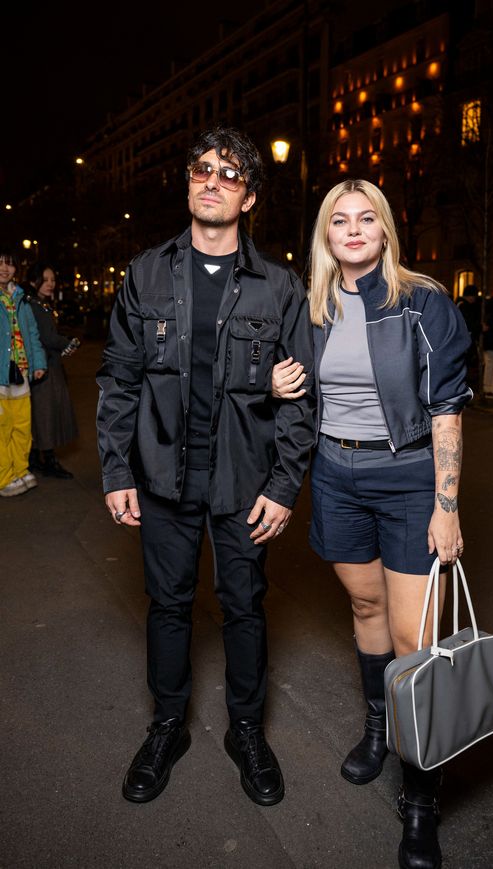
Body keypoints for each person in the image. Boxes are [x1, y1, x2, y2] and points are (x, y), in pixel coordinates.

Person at [96, 127, 316, 807]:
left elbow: (302, 397)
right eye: (201, 171)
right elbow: (120, 379)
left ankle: (246, 730)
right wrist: (115, 470)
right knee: (167, 606)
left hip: (243, 485)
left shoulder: (279, 286)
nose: (212, 181)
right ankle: (168, 725)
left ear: (249, 196)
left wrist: (283, 485)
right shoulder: (146, 273)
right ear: (189, 184)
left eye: (228, 173)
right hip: (162, 480)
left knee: (245, 606)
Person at [272, 179, 472, 869]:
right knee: (364, 604)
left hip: (409, 476)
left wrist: (447, 503)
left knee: (415, 637)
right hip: (334, 473)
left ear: (385, 231)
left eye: (367, 218)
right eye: (339, 219)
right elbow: (282, 383)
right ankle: (379, 723)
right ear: (325, 235)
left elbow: (447, 406)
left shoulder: (423, 300)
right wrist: (275, 383)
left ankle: (421, 795)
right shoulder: (310, 307)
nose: (353, 229)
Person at [0, 250, 47, 497]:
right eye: (0, 264)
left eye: (9, 264)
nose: (4, 269)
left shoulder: (21, 298)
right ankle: (4, 477)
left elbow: (32, 333)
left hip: (21, 371)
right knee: (2, 428)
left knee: (22, 426)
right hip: (0, 374)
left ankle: (20, 469)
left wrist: (38, 362)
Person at [26, 263, 80, 478]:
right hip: (44, 367)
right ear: (33, 281)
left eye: (52, 280)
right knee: (46, 414)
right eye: (45, 280)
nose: (50, 284)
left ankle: (37, 458)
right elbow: (46, 337)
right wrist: (68, 341)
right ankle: (46, 460)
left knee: (42, 414)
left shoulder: (41, 304)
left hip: (48, 364)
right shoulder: (34, 305)